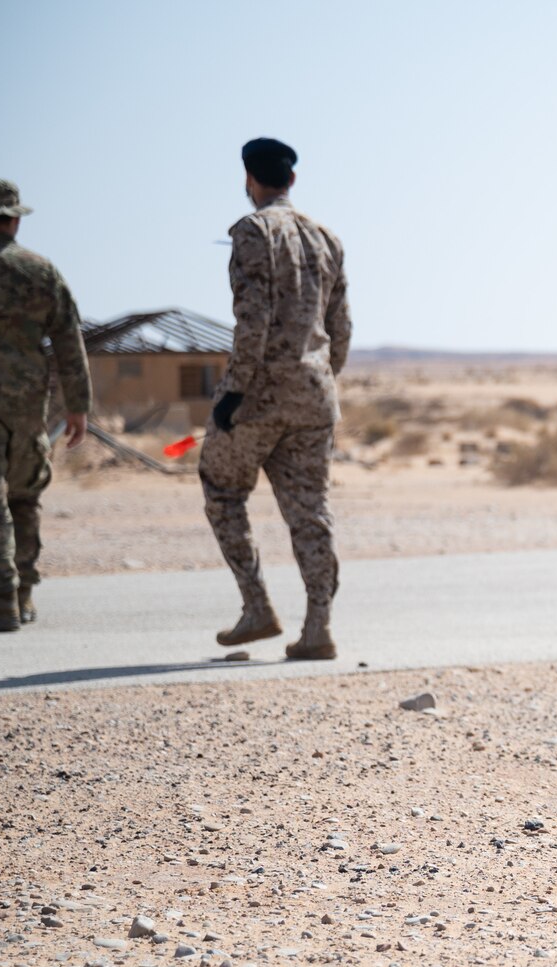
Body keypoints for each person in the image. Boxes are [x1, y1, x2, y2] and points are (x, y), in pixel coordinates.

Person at [200, 137, 351, 660]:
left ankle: (257, 606)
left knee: (221, 490)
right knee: (311, 513)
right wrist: (323, 379)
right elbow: (341, 326)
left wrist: (234, 390)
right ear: (292, 180)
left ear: (250, 179)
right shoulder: (325, 237)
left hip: (259, 396)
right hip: (314, 396)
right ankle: (318, 628)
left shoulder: (252, 231)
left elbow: (253, 318)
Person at [0, 179, 91, 631]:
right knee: (24, 497)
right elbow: (70, 341)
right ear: (15, 218)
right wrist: (79, 407)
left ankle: (2, 602)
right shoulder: (41, 271)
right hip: (27, 408)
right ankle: (25, 593)